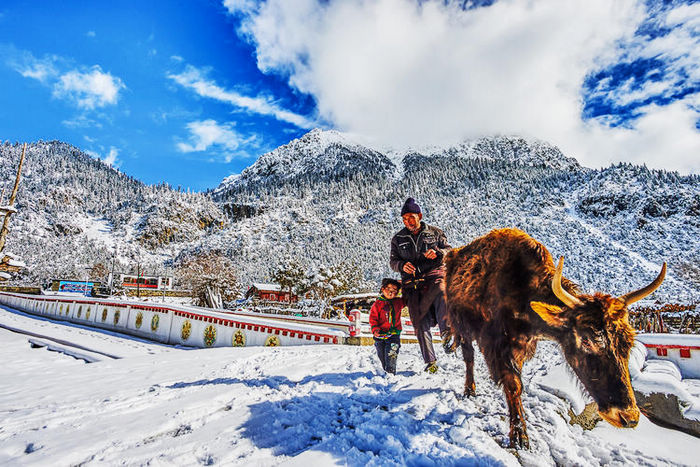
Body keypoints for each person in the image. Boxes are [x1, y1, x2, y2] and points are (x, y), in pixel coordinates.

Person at [390, 197, 452, 373]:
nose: (407, 221)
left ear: (419, 216)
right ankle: (430, 362)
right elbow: (393, 261)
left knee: (441, 291)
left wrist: (439, 252)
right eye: (404, 219)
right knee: (419, 321)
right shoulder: (398, 238)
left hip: (434, 276)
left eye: (410, 217)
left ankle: (447, 334)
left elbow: (450, 251)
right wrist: (402, 265)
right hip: (412, 284)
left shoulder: (436, 233)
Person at [369, 278, 404, 374]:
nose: (391, 292)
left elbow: (408, 298)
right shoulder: (377, 304)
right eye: (389, 289)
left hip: (394, 335)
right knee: (382, 356)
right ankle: (385, 370)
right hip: (380, 335)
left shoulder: (399, 302)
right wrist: (375, 329)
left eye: (394, 290)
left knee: (391, 354)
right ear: (383, 289)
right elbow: (373, 319)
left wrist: (404, 285)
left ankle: (391, 372)